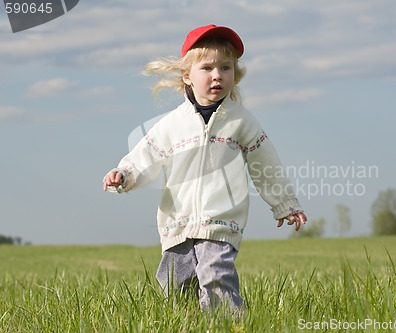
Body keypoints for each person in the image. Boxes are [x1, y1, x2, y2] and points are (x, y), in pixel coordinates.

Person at [103, 24, 307, 313]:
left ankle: (229, 324)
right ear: (187, 75)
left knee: (215, 277)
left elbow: (266, 164)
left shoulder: (241, 121)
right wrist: (124, 175)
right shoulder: (172, 124)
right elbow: (145, 156)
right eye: (207, 67)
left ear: (235, 75)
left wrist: (284, 203)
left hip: (221, 221)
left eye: (226, 68)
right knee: (174, 287)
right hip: (178, 223)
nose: (217, 75)